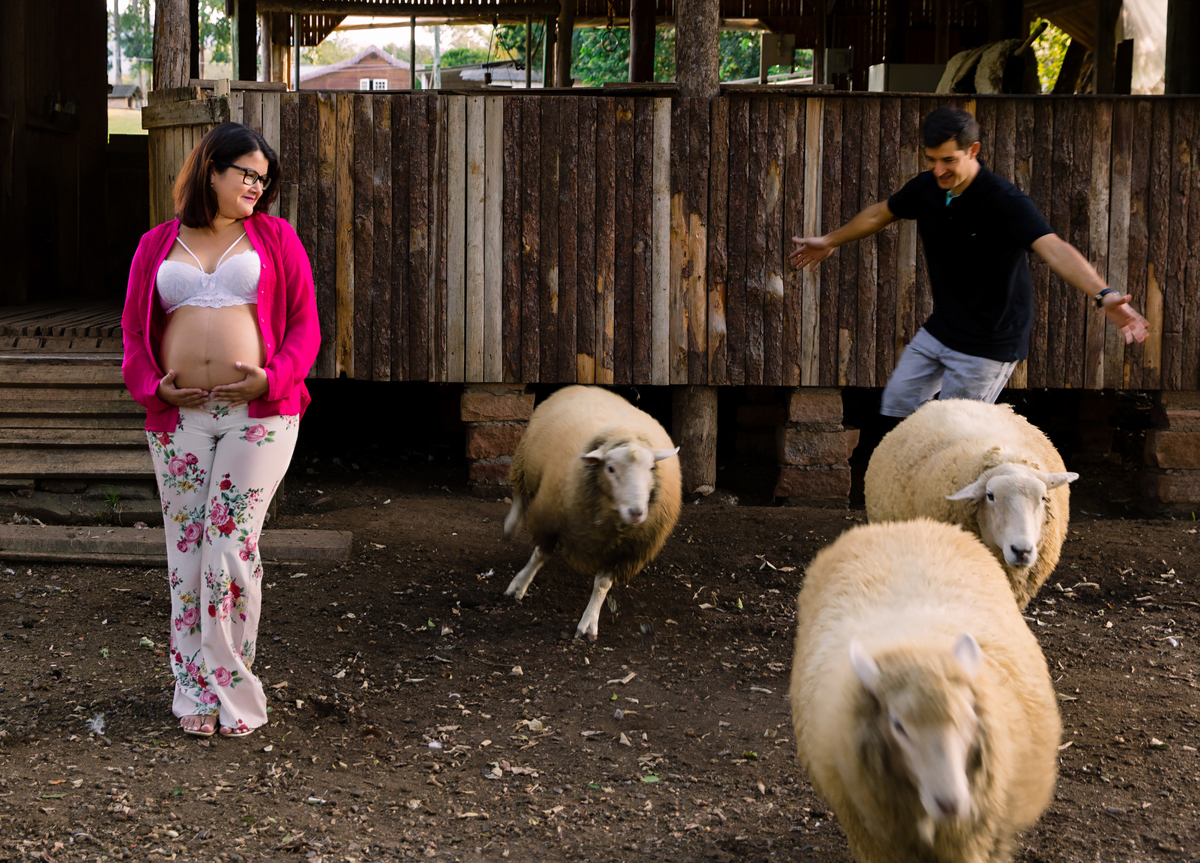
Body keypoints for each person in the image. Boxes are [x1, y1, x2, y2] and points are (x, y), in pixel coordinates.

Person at [122, 122, 320, 739]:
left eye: (265, 179)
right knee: (187, 554)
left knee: (229, 546)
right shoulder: (157, 244)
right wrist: (154, 388)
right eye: (248, 175)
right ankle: (192, 690)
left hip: (259, 416)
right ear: (212, 170)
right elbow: (132, 333)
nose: (258, 188)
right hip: (179, 420)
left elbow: (305, 326)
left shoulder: (276, 239)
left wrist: (273, 377)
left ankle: (234, 689)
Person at [789, 106, 1149, 418]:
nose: (939, 170)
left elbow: (1054, 248)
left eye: (948, 160)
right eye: (931, 160)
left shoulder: (1004, 201)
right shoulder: (927, 188)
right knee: (898, 402)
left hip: (992, 342)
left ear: (972, 150)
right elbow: (880, 214)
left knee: (956, 430)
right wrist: (829, 240)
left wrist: (1103, 294)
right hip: (943, 328)